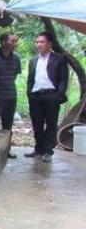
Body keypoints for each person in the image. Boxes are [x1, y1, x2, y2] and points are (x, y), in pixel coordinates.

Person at [25, 31, 69, 163]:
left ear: (49, 44)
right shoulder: (33, 60)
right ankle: (39, 148)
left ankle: (48, 150)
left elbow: (63, 79)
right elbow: (30, 80)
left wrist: (58, 94)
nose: (38, 44)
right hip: (36, 96)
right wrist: (29, 94)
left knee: (51, 124)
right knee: (37, 124)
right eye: (37, 42)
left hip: (51, 95)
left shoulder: (59, 59)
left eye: (42, 42)